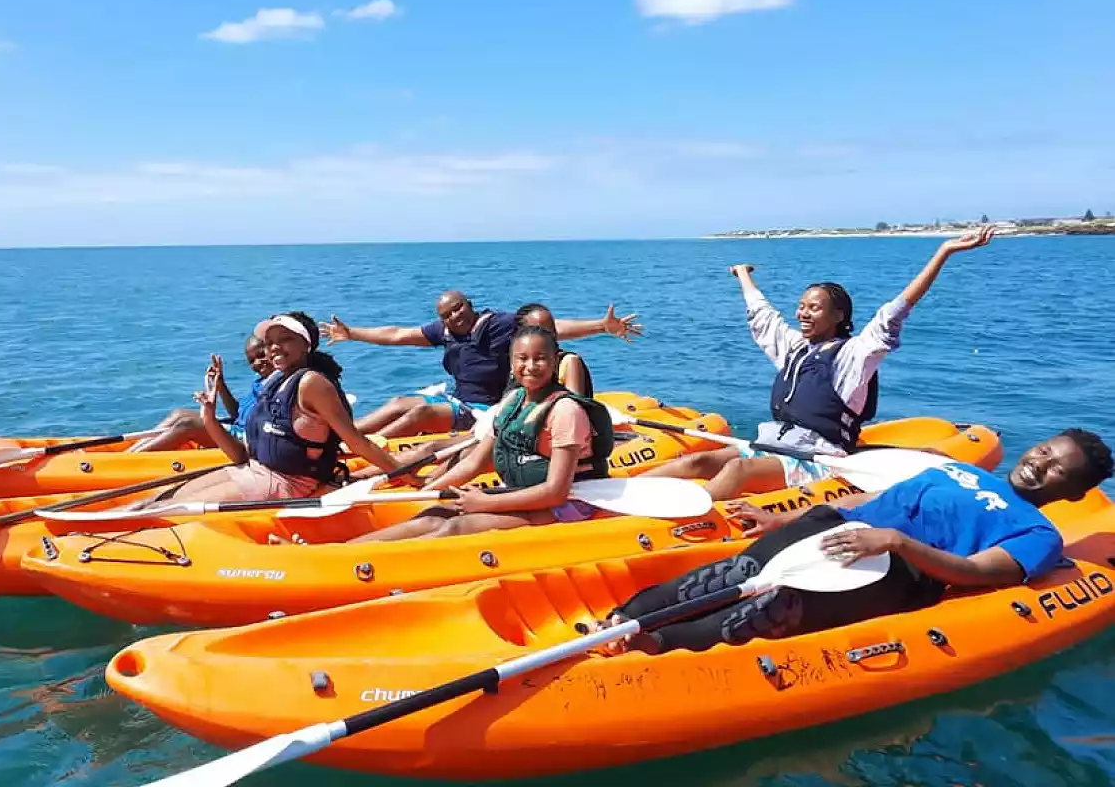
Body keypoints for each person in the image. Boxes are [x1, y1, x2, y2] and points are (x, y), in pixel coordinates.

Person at [594, 429, 1112, 656]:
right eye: (1045, 450)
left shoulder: (1039, 534)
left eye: (1058, 468)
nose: (1040, 463)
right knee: (729, 575)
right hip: (832, 526)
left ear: (1073, 492)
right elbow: (871, 497)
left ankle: (655, 645)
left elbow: (977, 571)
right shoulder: (959, 470)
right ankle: (621, 620)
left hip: (892, 572)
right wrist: (783, 517)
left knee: (773, 606)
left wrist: (897, 542)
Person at [643, 226, 995, 499]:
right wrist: (744, 275)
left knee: (736, 471)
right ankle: (613, 498)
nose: (803, 313)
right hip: (771, 447)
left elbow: (895, 311)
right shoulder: (795, 348)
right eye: (801, 306)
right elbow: (762, 315)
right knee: (697, 461)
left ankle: (682, 519)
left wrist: (943, 252)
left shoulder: (854, 357)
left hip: (817, 462)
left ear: (838, 316)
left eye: (814, 308)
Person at [346, 324, 616, 542]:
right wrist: (428, 490)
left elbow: (556, 492)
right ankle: (346, 553)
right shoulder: (512, 402)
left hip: (566, 504)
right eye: (522, 358)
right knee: (433, 514)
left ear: (555, 361)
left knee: (455, 528)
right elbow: (474, 462)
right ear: (511, 362)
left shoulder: (566, 411)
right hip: (523, 491)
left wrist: (484, 503)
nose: (531, 366)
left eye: (540, 358)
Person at [321, 292, 639, 439]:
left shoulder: (499, 324)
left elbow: (546, 330)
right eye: (447, 314)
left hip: (483, 409)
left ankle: (366, 447)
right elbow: (397, 334)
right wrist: (352, 334)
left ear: (469, 304)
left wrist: (601, 326)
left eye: (458, 307)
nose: (454, 315)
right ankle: (341, 435)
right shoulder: (444, 332)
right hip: (458, 401)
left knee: (420, 413)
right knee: (398, 403)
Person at [162, 312, 404, 503]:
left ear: (306, 345)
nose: (274, 347)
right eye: (269, 343)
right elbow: (241, 456)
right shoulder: (274, 383)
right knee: (160, 500)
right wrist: (209, 417)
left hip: (287, 483)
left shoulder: (312, 383)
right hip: (253, 470)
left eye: (285, 339)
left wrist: (406, 474)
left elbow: (357, 442)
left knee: (166, 510)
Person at [128, 337, 276, 453]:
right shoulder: (259, 382)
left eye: (261, 355)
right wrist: (220, 384)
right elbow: (237, 414)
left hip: (248, 439)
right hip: (238, 429)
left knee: (188, 424)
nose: (258, 362)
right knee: (179, 414)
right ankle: (128, 454)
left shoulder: (277, 383)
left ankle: (132, 460)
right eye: (252, 360)